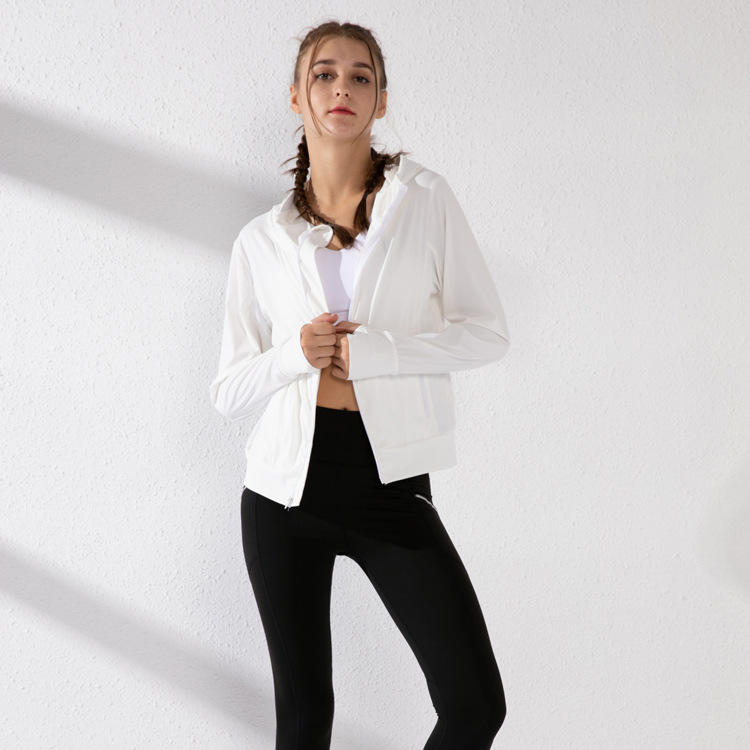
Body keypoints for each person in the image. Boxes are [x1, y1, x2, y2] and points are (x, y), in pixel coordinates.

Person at [209, 20, 510, 750]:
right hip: (283, 494)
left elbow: (486, 333)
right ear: (296, 96)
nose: (341, 87)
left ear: (380, 100)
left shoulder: (423, 201)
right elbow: (228, 389)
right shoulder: (262, 239)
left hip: (388, 481)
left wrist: (380, 353)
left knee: (474, 705)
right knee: (305, 718)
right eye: (323, 74)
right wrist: (295, 354)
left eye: (360, 76)